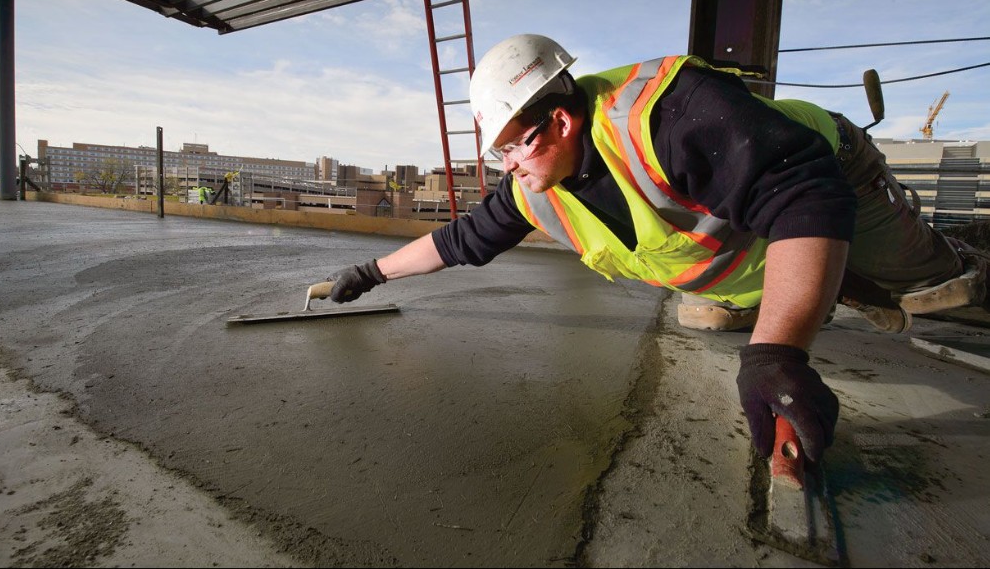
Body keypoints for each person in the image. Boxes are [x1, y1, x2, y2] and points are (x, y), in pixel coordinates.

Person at [325, 34, 988, 465]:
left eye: (511, 144)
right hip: (747, 256)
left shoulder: (665, 116)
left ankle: (950, 257)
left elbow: (803, 198)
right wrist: (369, 274)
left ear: (560, 119)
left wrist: (777, 355)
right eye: (495, 150)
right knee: (703, 309)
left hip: (833, 174)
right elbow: (460, 241)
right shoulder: (534, 185)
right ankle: (792, 288)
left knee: (936, 287)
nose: (506, 165)